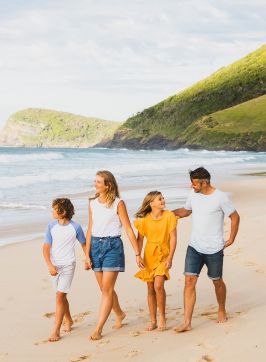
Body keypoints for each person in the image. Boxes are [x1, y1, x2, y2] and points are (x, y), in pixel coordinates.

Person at [173, 167, 240, 332]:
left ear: (204, 182)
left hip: (214, 248)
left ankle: (221, 308)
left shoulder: (220, 197)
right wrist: (166, 214)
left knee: (217, 281)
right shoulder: (193, 195)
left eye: (195, 183)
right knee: (189, 281)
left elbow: (235, 216)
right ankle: (187, 322)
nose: (192, 186)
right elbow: (186, 211)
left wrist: (231, 239)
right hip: (194, 246)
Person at [84, 170, 144, 341]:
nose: (94, 184)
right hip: (95, 246)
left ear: (107, 185)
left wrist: (137, 253)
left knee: (107, 289)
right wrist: (86, 254)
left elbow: (128, 228)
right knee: (104, 289)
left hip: (112, 247)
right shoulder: (92, 203)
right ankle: (119, 313)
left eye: (98, 182)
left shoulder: (118, 203)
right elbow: (89, 228)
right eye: (94, 181)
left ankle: (98, 328)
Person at [43, 198, 86, 342]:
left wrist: (87, 259)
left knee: (60, 296)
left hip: (68, 265)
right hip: (54, 266)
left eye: (54, 209)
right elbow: (46, 248)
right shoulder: (51, 227)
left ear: (63, 211)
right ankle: (69, 320)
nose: (52, 211)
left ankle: (56, 330)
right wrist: (50, 265)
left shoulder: (76, 227)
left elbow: (84, 244)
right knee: (61, 295)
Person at [134, 191, 177, 331]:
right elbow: (140, 239)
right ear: (151, 203)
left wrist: (170, 258)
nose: (163, 200)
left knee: (159, 285)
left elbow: (174, 239)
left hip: (163, 254)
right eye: (159, 199)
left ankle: (162, 316)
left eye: (163, 198)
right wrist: (138, 255)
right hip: (149, 255)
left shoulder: (169, 216)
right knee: (150, 288)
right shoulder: (144, 219)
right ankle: (153, 320)